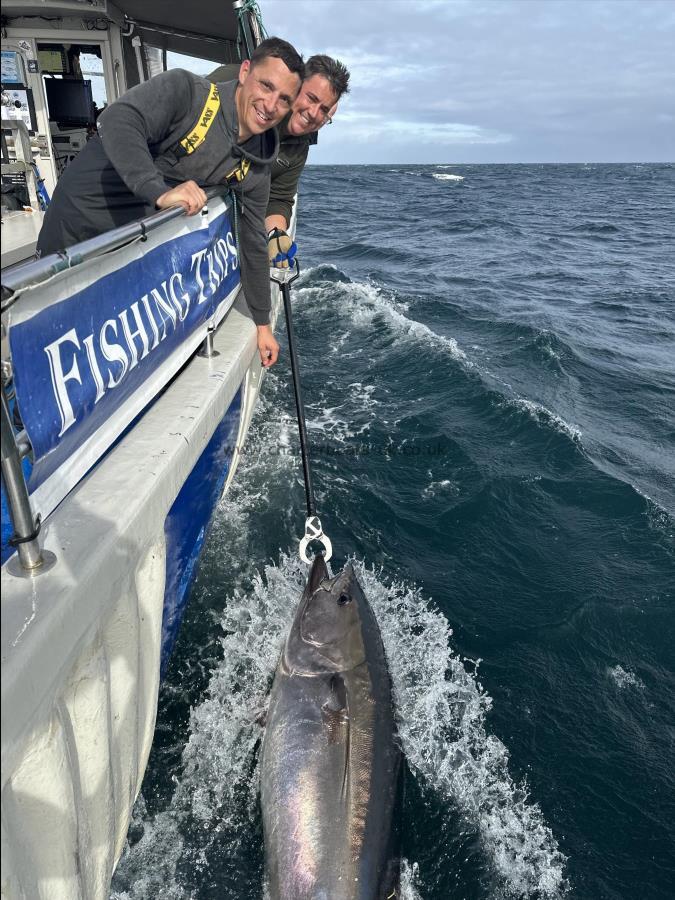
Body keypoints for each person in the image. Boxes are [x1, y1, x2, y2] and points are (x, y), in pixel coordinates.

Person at [36, 37, 305, 368]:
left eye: (283, 99)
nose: (270, 104)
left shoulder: (256, 162)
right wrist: (159, 190)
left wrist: (263, 324)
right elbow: (118, 119)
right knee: (47, 338)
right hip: (78, 221)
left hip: (131, 244)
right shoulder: (187, 92)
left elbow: (252, 241)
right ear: (245, 72)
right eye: (266, 85)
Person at [265, 54, 350, 268]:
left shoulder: (300, 147)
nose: (313, 113)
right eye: (311, 98)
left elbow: (279, 198)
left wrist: (275, 234)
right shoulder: (260, 109)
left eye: (324, 111)